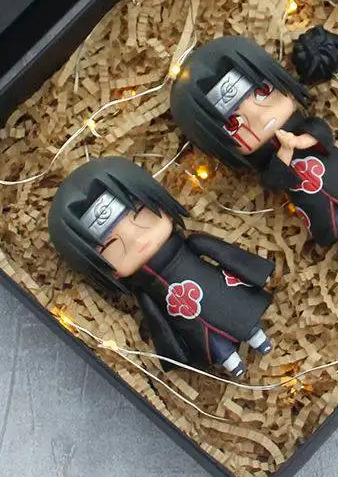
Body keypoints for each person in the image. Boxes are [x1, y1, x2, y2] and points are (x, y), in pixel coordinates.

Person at [48, 156, 276, 377]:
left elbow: (222, 253)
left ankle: (258, 338)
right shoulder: (145, 293)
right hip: (186, 319)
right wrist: (173, 350)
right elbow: (157, 322)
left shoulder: (194, 244)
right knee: (211, 342)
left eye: (139, 214)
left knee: (238, 312)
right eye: (110, 245)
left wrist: (252, 271)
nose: (136, 240)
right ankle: (232, 363)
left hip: (216, 287)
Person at [169, 35, 338, 254]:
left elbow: (323, 132)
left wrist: (300, 140)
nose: (260, 116)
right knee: (329, 217)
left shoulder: (301, 125)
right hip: (308, 197)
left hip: (335, 168)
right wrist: (285, 151)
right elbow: (273, 182)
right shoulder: (263, 161)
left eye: (262, 92)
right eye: (234, 123)